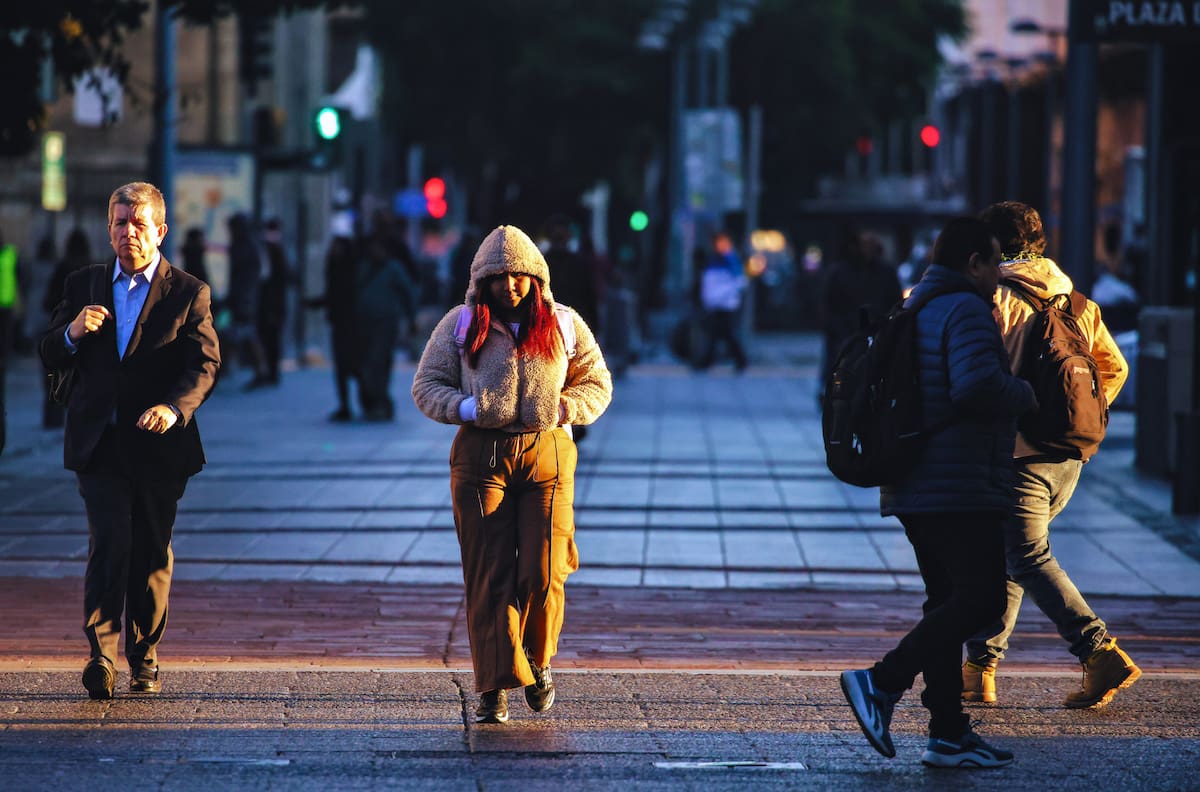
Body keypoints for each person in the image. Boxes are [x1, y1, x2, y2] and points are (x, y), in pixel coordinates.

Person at [839, 216, 1036, 769]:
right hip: (958, 483)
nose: (999, 275)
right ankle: (881, 682)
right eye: (994, 262)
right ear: (972, 262)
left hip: (913, 479)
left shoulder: (916, 304)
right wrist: (1024, 392)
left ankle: (948, 732)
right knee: (982, 599)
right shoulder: (967, 308)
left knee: (945, 601)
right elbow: (975, 386)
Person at [411, 224, 612, 724]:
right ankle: (494, 685)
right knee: (489, 574)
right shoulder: (460, 324)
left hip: (548, 454)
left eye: (520, 275)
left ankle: (538, 661)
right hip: (481, 457)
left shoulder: (564, 323)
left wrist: (563, 407)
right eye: (499, 277)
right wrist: (466, 407)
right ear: (482, 280)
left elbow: (598, 383)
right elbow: (425, 385)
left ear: (536, 277)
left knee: (545, 572)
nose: (511, 286)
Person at [39, 181, 221, 699]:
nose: (128, 233)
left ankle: (144, 655)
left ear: (160, 230)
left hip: (160, 444)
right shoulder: (84, 285)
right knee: (109, 541)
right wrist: (73, 331)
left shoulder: (188, 292)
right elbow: (50, 350)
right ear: (109, 228)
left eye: (138, 224)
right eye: (120, 223)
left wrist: (172, 408)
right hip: (99, 442)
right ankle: (100, 655)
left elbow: (205, 364)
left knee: (150, 551)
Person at [963, 201, 1137, 709]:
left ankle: (1098, 650)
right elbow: (1115, 368)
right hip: (1067, 456)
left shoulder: (995, 300)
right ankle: (978, 669)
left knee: (1026, 556)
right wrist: (1084, 420)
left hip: (1019, 454)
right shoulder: (1078, 303)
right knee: (1007, 557)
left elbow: (980, 379)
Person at [819, 228, 902, 400]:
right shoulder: (840, 271)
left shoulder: (885, 271)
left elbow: (894, 301)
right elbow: (830, 304)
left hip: (876, 330)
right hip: (845, 331)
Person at [355, 230, 416, 421]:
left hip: (385, 323)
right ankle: (371, 402)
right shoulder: (363, 268)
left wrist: (411, 318)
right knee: (365, 364)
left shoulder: (393, 269)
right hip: (364, 323)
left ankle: (381, 402)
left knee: (378, 362)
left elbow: (407, 294)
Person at [41, 229, 95, 428]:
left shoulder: (63, 269)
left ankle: (52, 419)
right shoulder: (93, 270)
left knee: (53, 379)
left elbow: (48, 301)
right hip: (88, 337)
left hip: (62, 330)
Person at [246, 217, 291, 389]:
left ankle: (269, 372)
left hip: (270, 305)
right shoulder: (272, 252)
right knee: (268, 339)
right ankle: (270, 372)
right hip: (270, 304)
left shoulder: (273, 253)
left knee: (269, 339)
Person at [694, 230, 748, 372]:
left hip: (726, 304)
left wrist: (722, 297)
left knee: (722, 333)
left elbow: (740, 282)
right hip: (717, 304)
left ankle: (710, 361)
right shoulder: (714, 259)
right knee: (720, 333)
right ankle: (736, 360)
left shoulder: (731, 260)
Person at [225, 212, 265, 386]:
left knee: (244, 333)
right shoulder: (245, 246)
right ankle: (225, 365)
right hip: (242, 297)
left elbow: (244, 277)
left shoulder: (244, 247)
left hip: (244, 298)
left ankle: (258, 369)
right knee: (239, 332)